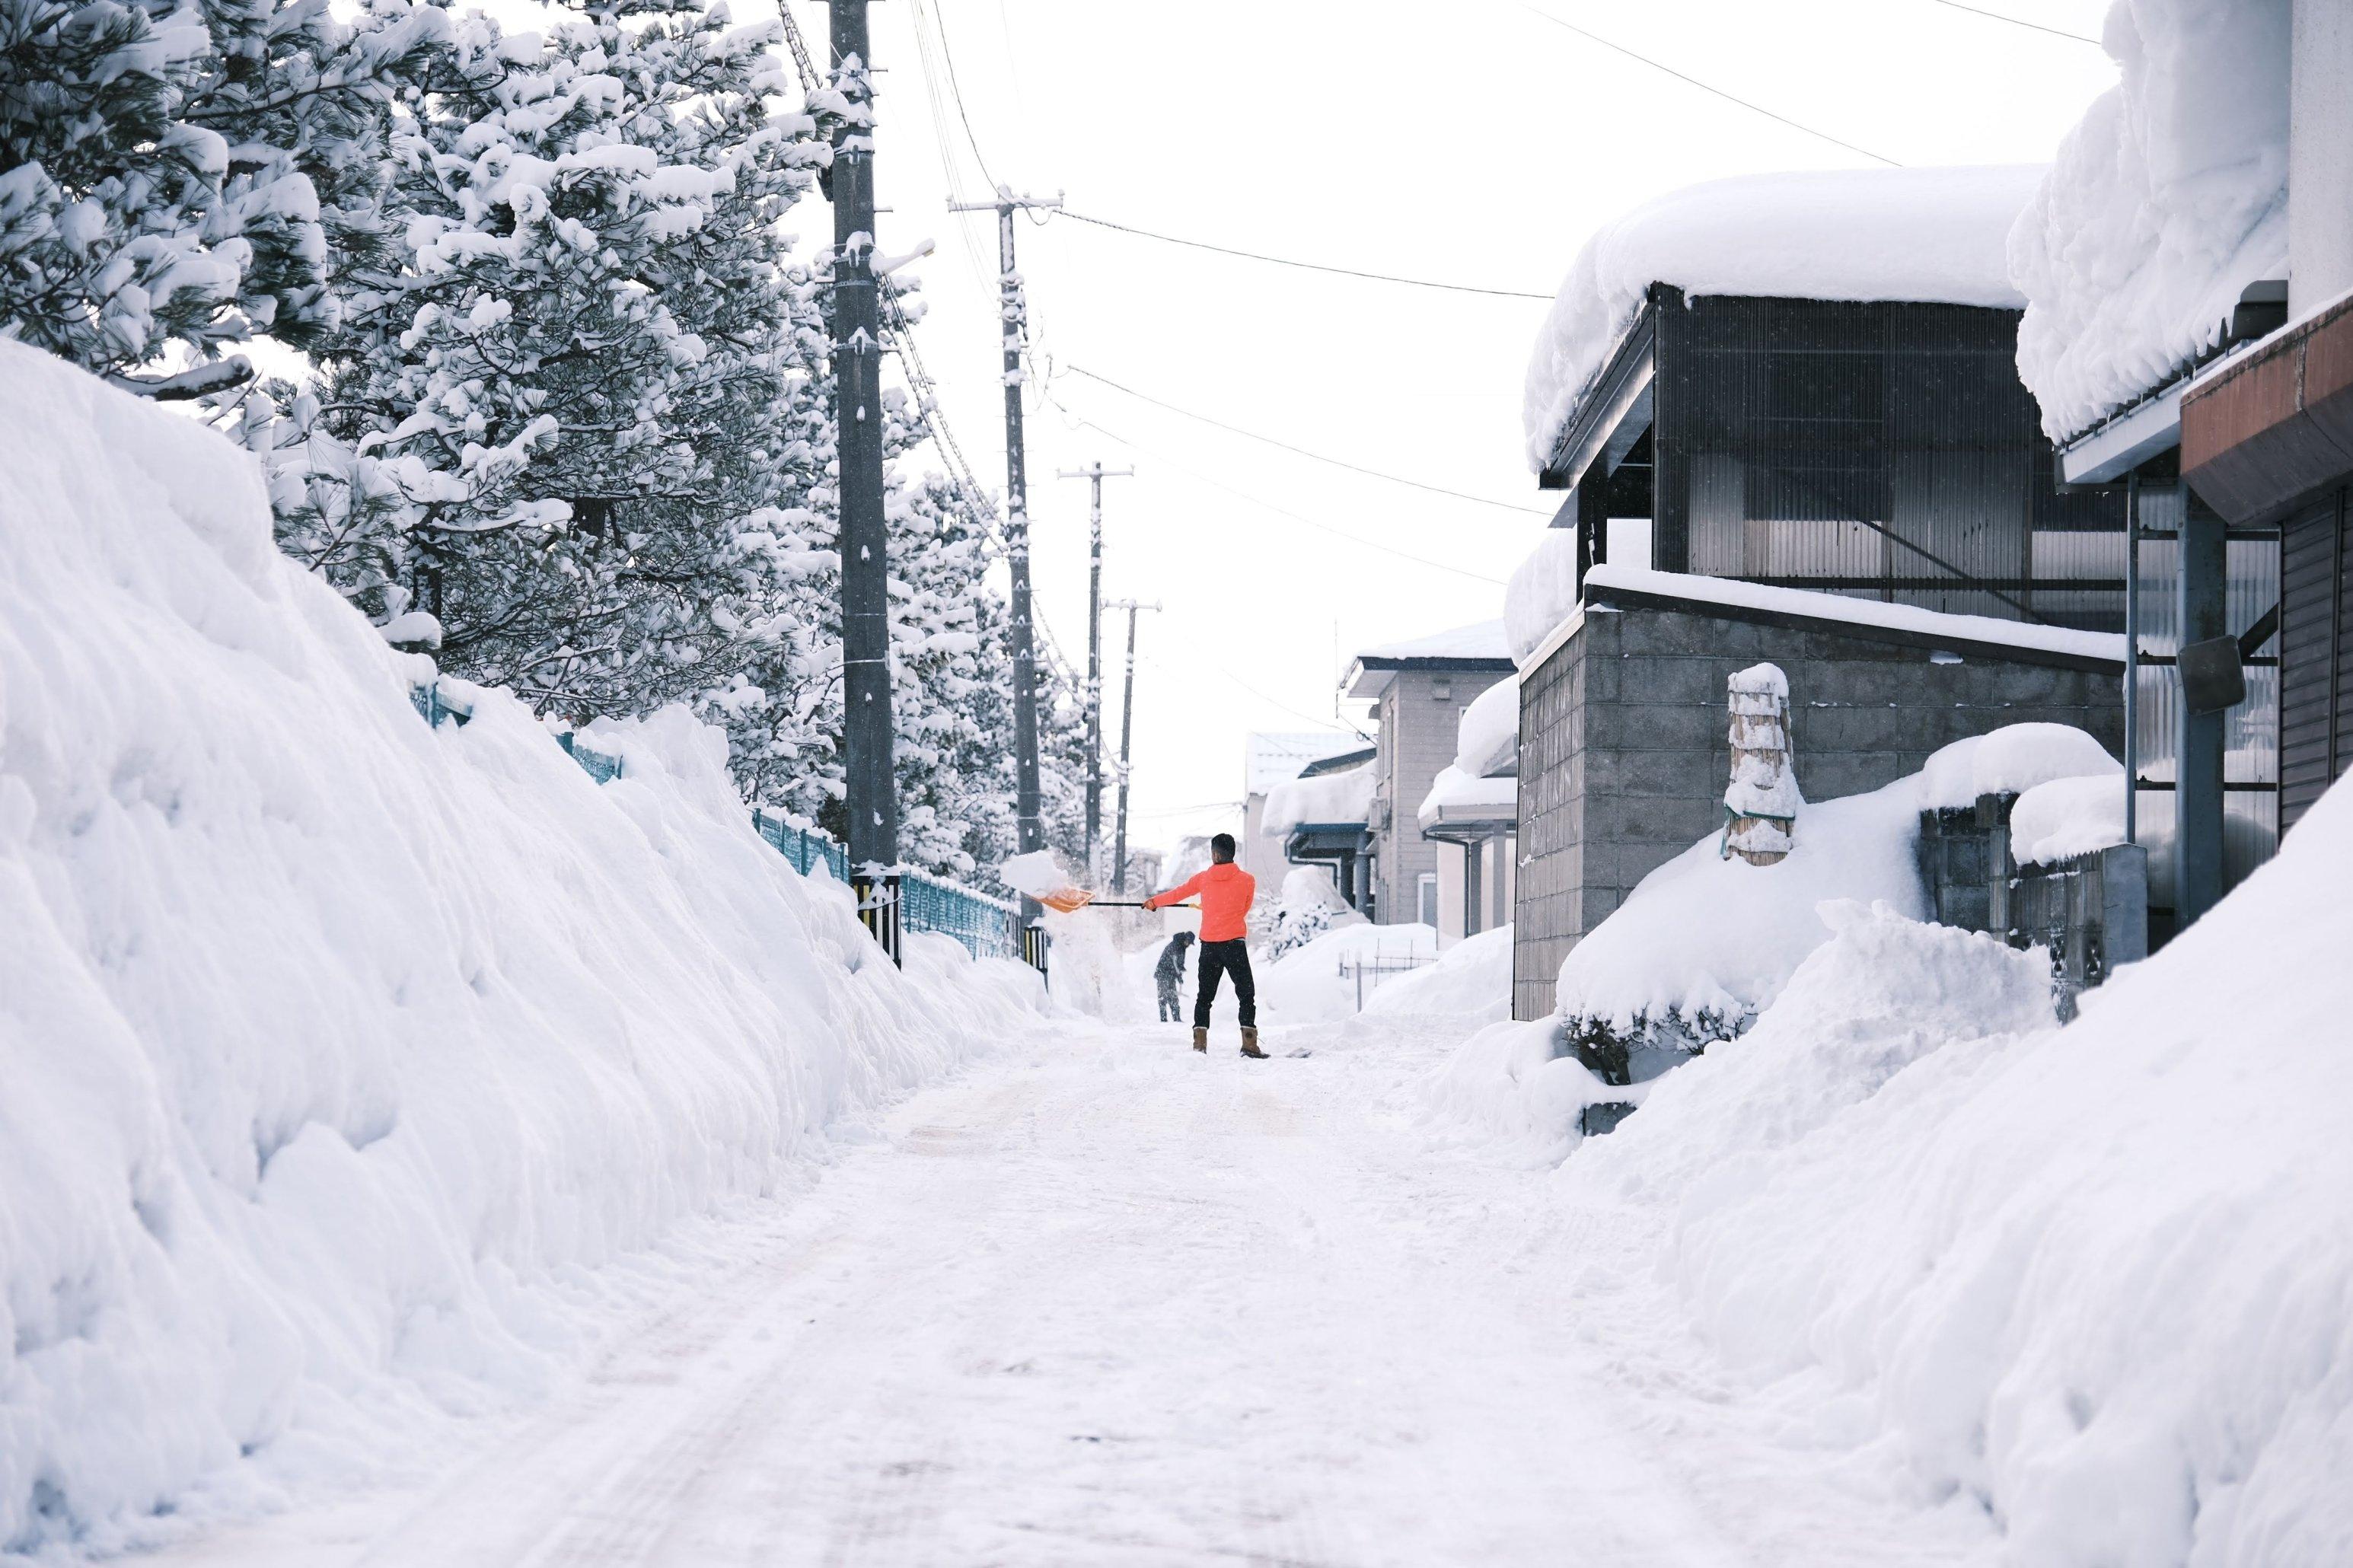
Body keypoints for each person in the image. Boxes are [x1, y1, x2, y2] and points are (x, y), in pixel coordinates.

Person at [1143, 833, 1264, 1057]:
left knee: (1204, 997)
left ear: (1215, 854)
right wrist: (1226, 916)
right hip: (1234, 945)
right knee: (1246, 994)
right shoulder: (1247, 880)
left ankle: (1200, 1045)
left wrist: (1154, 903)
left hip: (1210, 946)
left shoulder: (1203, 879)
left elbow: (1177, 894)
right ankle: (1249, 1044)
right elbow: (1244, 909)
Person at [1151, 930, 1196, 1022]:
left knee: (1172, 996)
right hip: (1163, 974)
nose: (1188, 945)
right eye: (1188, 942)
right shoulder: (1175, 946)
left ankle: (1176, 1018)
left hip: (1170, 975)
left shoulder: (1181, 946)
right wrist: (1179, 975)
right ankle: (1164, 1019)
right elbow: (1174, 962)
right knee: (1164, 996)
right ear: (1186, 939)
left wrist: (1181, 969)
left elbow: (1179, 963)